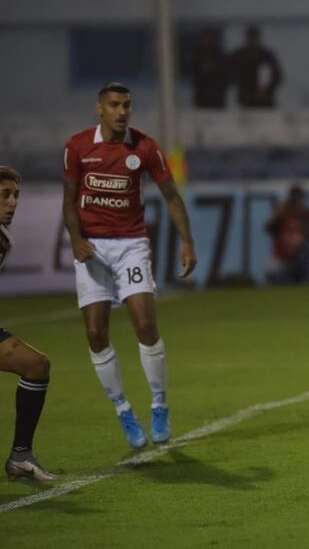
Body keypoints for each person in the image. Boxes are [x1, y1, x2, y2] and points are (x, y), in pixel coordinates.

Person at [63, 83, 197, 449]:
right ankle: (123, 409)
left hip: (131, 245)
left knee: (145, 324)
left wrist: (187, 241)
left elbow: (171, 196)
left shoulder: (146, 147)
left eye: (127, 105)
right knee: (95, 333)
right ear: (99, 109)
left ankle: (159, 404)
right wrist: (75, 239)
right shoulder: (77, 146)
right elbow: (70, 200)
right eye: (115, 105)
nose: (122, 112)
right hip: (92, 248)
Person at [0, 167, 56, 481]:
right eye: (5, 195)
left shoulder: (2, 242)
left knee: (37, 365)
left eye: (16, 195)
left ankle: (21, 456)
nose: (13, 202)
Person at [265, 184, 309, 284]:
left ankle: (308, 283)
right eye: (294, 198)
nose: (296, 201)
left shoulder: (306, 213)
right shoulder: (282, 213)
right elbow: (269, 228)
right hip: (283, 256)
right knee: (274, 275)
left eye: (298, 198)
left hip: (300, 256)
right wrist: (279, 214)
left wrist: (305, 220)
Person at [230, 26, 282, 108]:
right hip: (246, 100)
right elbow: (232, 75)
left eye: (254, 38)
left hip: (265, 100)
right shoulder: (239, 56)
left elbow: (277, 76)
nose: (252, 41)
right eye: (250, 38)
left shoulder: (266, 56)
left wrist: (266, 90)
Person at [190, 27, 229, 109]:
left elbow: (224, 73)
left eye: (209, 37)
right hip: (202, 93)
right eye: (205, 37)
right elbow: (194, 72)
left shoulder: (218, 54)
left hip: (216, 94)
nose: (207, 39)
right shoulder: (198, 54)